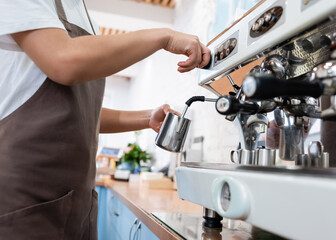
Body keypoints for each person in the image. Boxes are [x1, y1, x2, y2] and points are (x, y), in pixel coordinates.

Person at [0, 0, 210, 239]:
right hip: (27, 197)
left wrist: (146, 118)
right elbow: (64, 60)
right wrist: (166, 37)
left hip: (77, 201)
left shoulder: (83, 16)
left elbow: (80, 112)